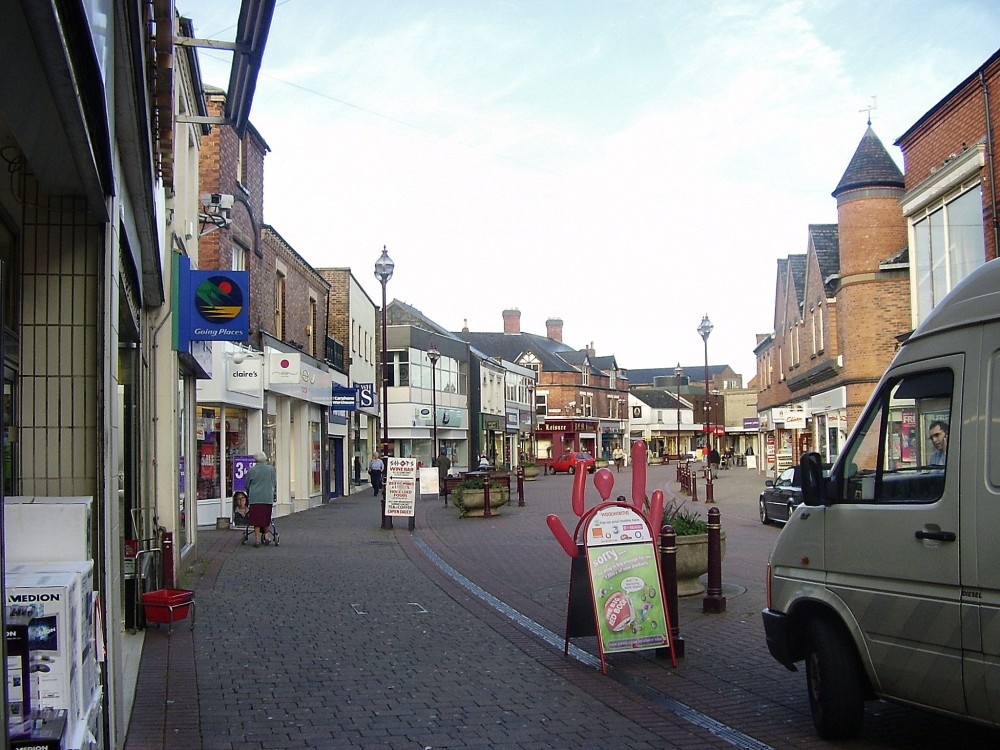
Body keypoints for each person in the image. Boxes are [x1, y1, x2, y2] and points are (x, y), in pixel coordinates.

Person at [245, 451, 277, 547]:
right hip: (267, 497)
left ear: (255, 460)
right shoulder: (271, 469)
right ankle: (266, 536)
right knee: (266, 517)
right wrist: (274, 494)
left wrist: (249, 494)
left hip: (255, 498)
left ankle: (257, 539)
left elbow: (247, 485)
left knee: (256, 519)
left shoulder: (251, 471)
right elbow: (274, 483)